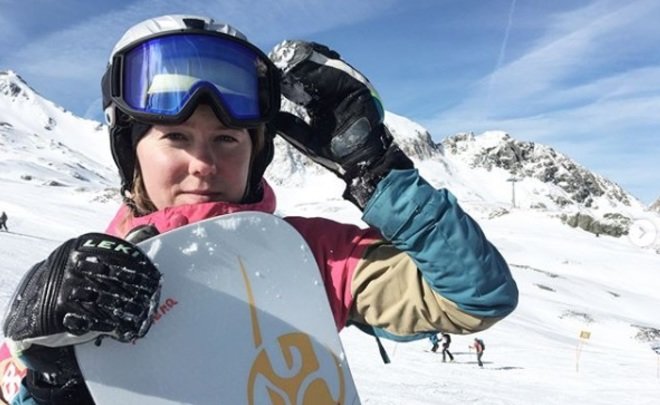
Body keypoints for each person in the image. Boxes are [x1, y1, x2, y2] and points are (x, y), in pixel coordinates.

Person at [1, 14, 518, 404]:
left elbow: (476, 297)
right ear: (129, 149)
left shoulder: (306, 253)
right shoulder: (82, 285)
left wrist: (376, 171)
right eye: (176, 137)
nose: (204, 164)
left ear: (257, 153)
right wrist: (47, 377)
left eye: (227, 139)